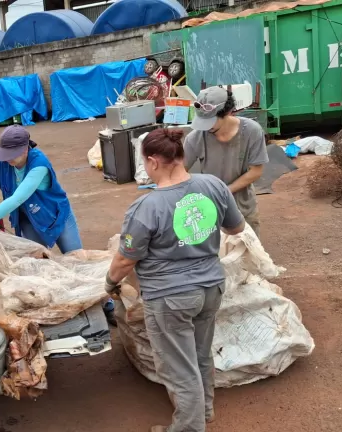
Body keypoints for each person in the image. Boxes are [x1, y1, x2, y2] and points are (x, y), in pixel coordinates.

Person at [105, 128, 245, 432]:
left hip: (170, 297)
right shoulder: (214, 185)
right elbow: (236, 228)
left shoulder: (147, 207)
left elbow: (126, 258)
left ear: (154, 161)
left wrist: (109, 282)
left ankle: (189, 428)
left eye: (144, 163)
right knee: (199, 354)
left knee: (179, 369)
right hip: (210, 288)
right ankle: (204, 410)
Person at [0, 125, 116, 323]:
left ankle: (107, 305)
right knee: (36, 265)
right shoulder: (1, 162)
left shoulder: (38, 164)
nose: (7, 159)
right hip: (28, 219)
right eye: (4, 154)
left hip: (57, 216)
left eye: (11, 154)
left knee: (77, 260)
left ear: (25, 149)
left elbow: (18, 197)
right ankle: (55, 307)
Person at [184, 87, 268, 237]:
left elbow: (256, 171)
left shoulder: (251, 131)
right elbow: (179, 171)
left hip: (243, 207)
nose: (206, 128)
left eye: (210, 122)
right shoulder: (195, 138)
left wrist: (224, 192)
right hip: (210, 209)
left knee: (248, 253)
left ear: (228, 112)